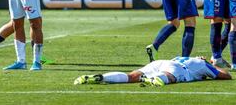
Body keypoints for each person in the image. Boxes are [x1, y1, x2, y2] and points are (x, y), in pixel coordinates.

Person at [74, 56, 231, 86]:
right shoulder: (202, 64)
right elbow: (226, 75)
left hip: (161, 61)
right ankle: (155, 79)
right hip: (175, 68)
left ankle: (99, 77)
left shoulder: (182, 57)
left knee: (131, 76)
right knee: (170, 77)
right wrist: (213, 65)